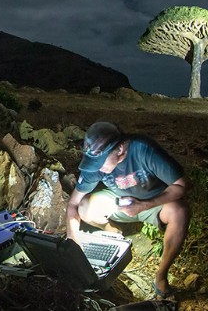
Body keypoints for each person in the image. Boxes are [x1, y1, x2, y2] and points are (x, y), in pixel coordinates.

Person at [66, 122, 191, 300]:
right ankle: (113, 230)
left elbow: (183, 185)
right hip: (119, 201)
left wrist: (144, 205)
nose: (99, 167)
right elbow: (73, 204)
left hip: (153, 200)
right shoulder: (96, 164)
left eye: (102, 162)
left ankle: (161, 276)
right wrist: (72, 242)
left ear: (120, 148)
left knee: (180, 211)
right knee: (85, 207)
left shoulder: (143, 149)